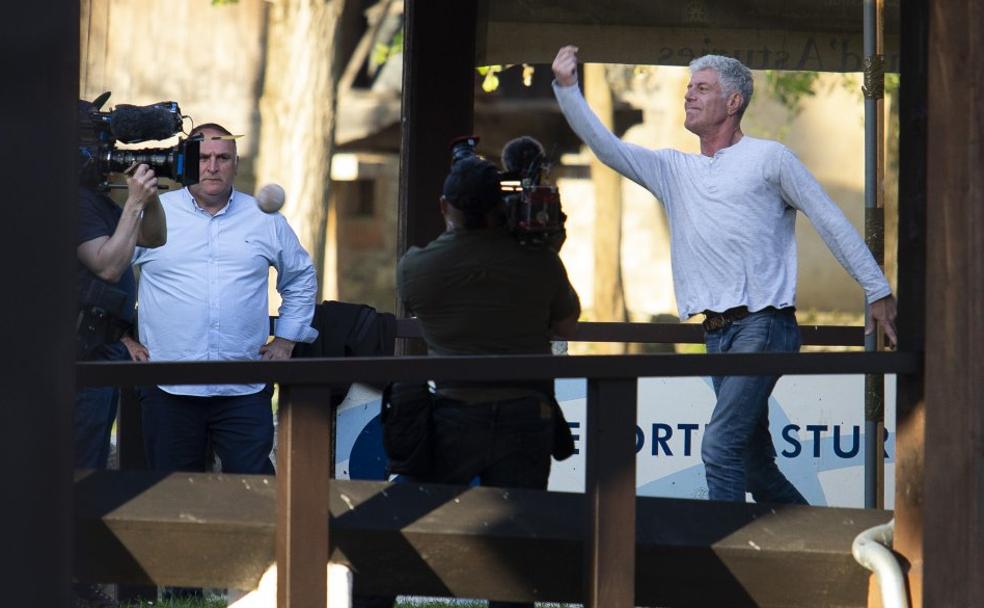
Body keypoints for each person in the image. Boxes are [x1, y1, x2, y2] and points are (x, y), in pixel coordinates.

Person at [551, 46, 897, 504]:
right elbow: (606, 147)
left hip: (764, 326)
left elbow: (830, 219)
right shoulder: (674, 168)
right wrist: (567, 89)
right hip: (717, 333)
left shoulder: (770, 158)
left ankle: (725, 562)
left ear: (734, 102)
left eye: (702, 88)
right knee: (753, 465)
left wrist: (877, 289)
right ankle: (826, 544)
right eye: (688, 88)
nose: (688, 96)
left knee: (718, 448)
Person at [387, 154, 579, 608]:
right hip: (527, 416)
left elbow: (421, 294)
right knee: (516, 549)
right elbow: (566, 326)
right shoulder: (540, 264)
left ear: (444, 207)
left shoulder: (415, 268)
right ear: (500, 207)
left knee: (398, 525)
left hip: (454, 414)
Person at [132, 122, 318, 477]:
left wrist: (286, 339)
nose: (212, 167)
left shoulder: (265, 219)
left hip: (243, 387)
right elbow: (110, 273)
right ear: (186, 162)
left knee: (252, 493)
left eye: (222, 158)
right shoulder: (153, 212)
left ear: (235, 164)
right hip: (169, 386)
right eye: (202, 157)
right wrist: (123, 335)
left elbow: (300, 277)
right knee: (172, 496)